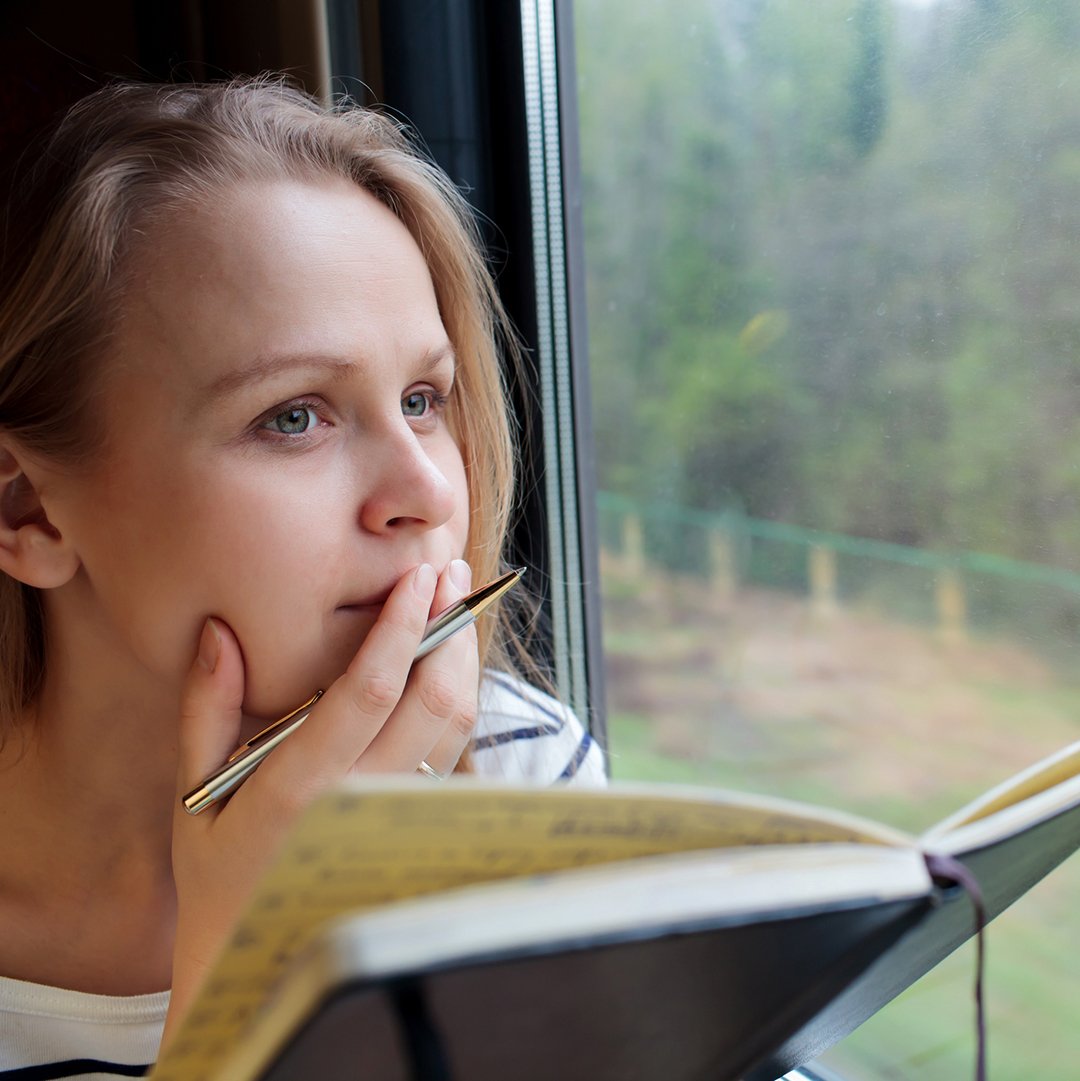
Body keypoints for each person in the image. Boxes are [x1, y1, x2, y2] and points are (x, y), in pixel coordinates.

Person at [0, 77, 605, 1079]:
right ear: (26, 509)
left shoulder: (524, 771)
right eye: (294, 416)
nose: (424, 492)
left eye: (423, 398)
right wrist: (253, 975)